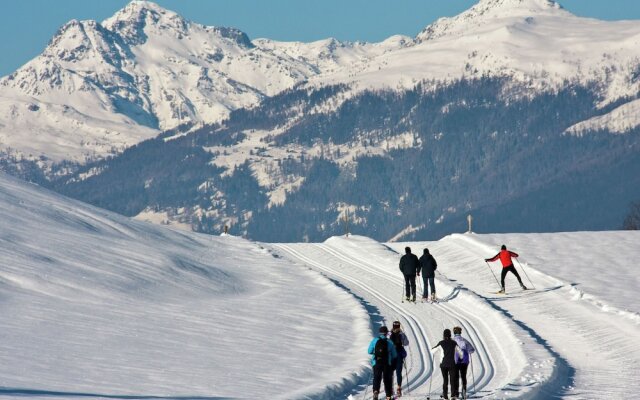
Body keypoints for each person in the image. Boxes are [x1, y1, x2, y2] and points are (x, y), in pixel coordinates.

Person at [368, 326, 398, 400]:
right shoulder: (390, 342)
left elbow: (369, 351)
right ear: (387, 333)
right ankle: (388, 396)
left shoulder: (374, 340)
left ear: (380, 332)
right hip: (387, 363)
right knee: (387, 379)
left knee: (377, 378)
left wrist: (375, 353)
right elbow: (395, 355)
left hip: (376, 362)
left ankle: (375, 391)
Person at [432, 328, 461, 399]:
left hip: (443, 365)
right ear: (450, 335)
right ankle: (453, 395)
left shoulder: (441, 343)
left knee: (445, 380)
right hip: (452, 364)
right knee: (452, 380)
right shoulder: (454, 343)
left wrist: (434, 349)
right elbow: (461, 353)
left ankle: (445, 396)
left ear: (444, 335)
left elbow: (432, 351)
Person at [453, 326, 476, 399]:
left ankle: (456, 394)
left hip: (455, 361)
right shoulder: (464, 340)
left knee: (456, 377)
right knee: (463, 376)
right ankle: (464, 393)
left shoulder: (452, 341)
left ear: (454, 332)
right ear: (460, 332)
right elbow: (472, 350)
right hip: (464, 360)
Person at [389, 321, 409, 397]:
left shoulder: (389, 334)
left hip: (391, 355)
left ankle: (390, 389)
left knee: (390, 372)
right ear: (399, 326)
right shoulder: (402, 334)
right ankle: (399, 388)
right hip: (399, 355)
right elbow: (406, 343)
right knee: (398, 372)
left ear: (393, 326)